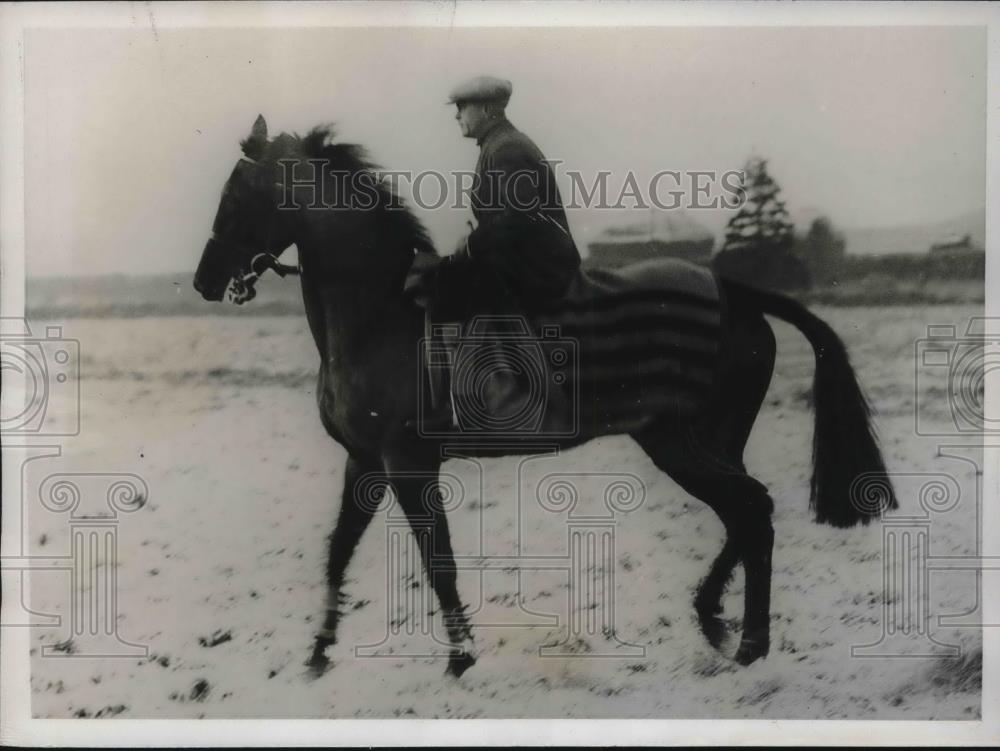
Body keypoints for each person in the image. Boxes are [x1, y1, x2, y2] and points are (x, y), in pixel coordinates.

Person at [406, 76, 582, 430]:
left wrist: (470, 246)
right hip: (521, 257)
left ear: (486, 109)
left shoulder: (507, 149)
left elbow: (516, 216)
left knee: (440, 288)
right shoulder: (498, 144)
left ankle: (460, 404)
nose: (457, 116)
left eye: (461, 107)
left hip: (538, 265)